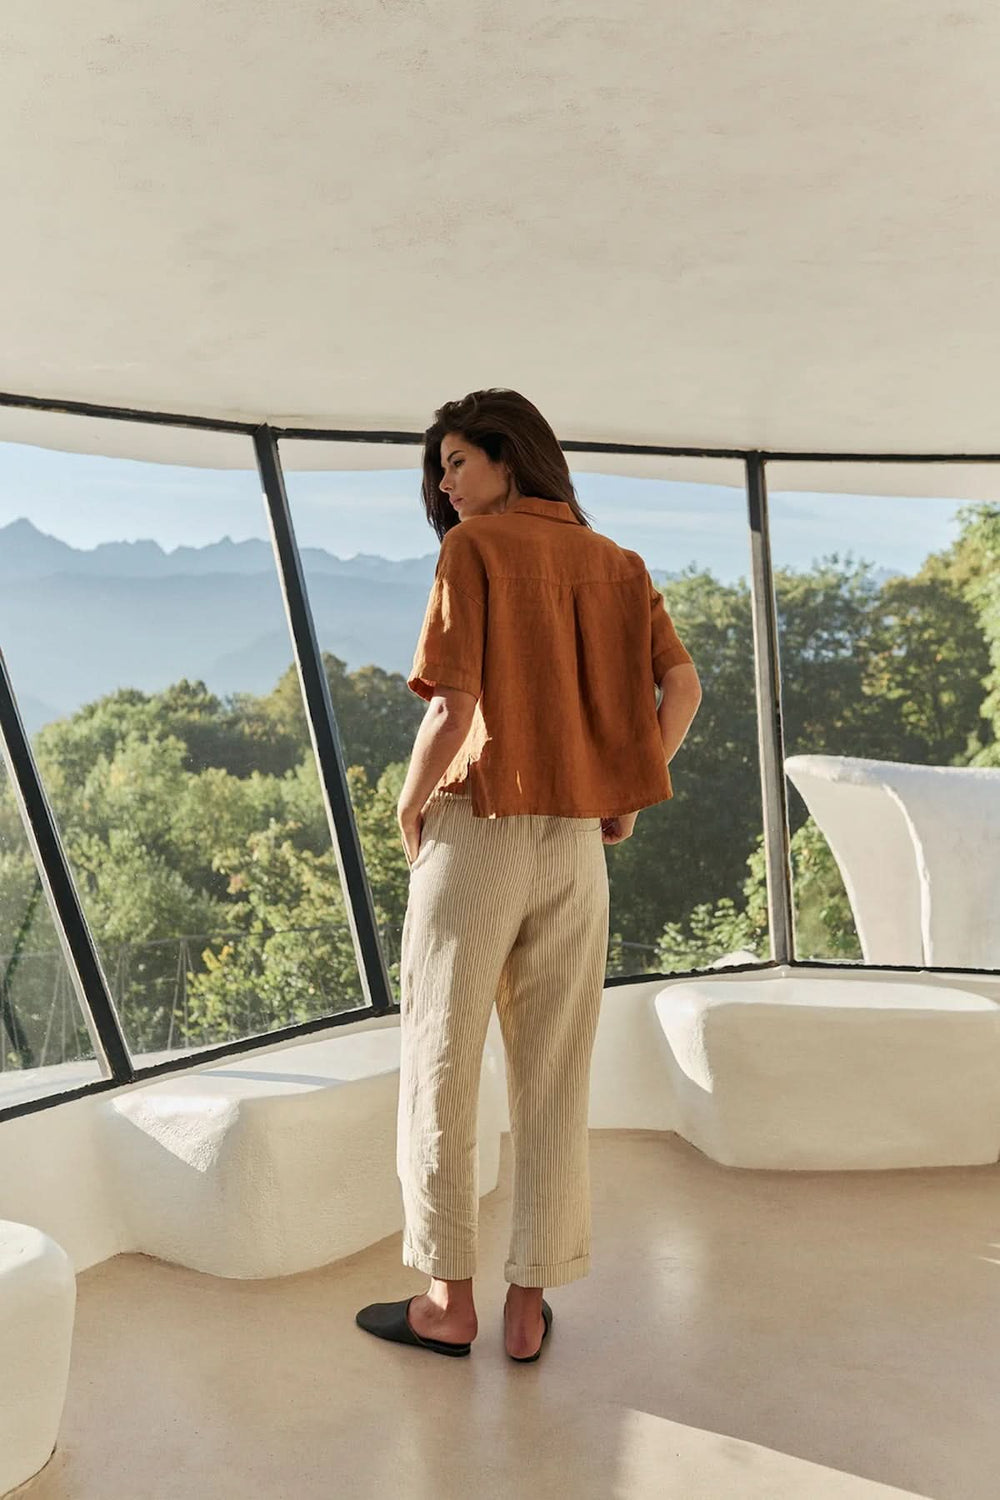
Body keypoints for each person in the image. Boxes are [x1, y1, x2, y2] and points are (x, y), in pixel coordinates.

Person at [356, 389, 702, 1362]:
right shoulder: (617, 563)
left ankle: (446, 1303)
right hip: (574, 851)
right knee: (555, 1074)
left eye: (458, 461)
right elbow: (683, 687)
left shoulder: (475, 551)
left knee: (440, 1062)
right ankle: (524, 1311)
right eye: (440, 466)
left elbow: (453, 706)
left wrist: (407, 803)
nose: (444, 482)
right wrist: (628, 784)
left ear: (512, 459)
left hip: (480, 833)